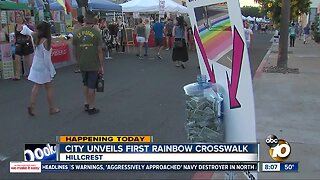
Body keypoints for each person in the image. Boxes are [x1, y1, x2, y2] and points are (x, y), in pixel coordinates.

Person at [20, 21, 60, 116]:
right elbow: (46, 59)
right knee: (49, 87)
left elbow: (27, 30)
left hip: (36, 63)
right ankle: (52, 108)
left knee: (36, 85)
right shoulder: (46, 41)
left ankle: (32, 106)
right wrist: (51, 70)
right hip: (44, 66)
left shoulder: (34, 36)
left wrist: (24, 25)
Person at [72, 11, 104, 115]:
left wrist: (77, 61)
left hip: (82, 62)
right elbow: (99, 51)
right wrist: (101, 65)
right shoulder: (96, 33)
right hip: (93, 62)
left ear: (85, 20)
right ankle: (91, 107)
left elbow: (74, 50)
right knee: (92, 86)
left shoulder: (77, 33)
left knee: (85, 83)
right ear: (93, 21)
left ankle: (86, 102)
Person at [13, 12, 34, 80]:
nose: (18, 18)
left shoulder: (26, 26)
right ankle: (17, 75)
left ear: (22, 17)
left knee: (28, 61)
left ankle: (33, 74)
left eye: (19, 16)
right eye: (17, 17)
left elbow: (30, 34)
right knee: (17, 60)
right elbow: (16, 35)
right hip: (18, 45)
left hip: (26, 45)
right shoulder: (15, 26)